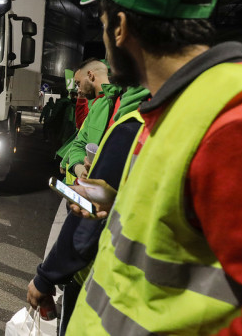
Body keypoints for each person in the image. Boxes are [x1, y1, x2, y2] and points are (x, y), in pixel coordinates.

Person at [66, 0, 242, 334]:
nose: (103, 42)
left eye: (103, 25)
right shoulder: (175, 105)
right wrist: (113, 201)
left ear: (120, 27)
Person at [26, 84, 150, 334]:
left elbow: (89, 218)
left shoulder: (133, 127)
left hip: (104, 286)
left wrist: (46, 277)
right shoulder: (199, 119)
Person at [60, 58, 116, 184]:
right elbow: (79, 143)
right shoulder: (96, 105)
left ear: (90, 76)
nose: (78, 89)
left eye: (78, 83)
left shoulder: (119, 102)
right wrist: (79, 169)